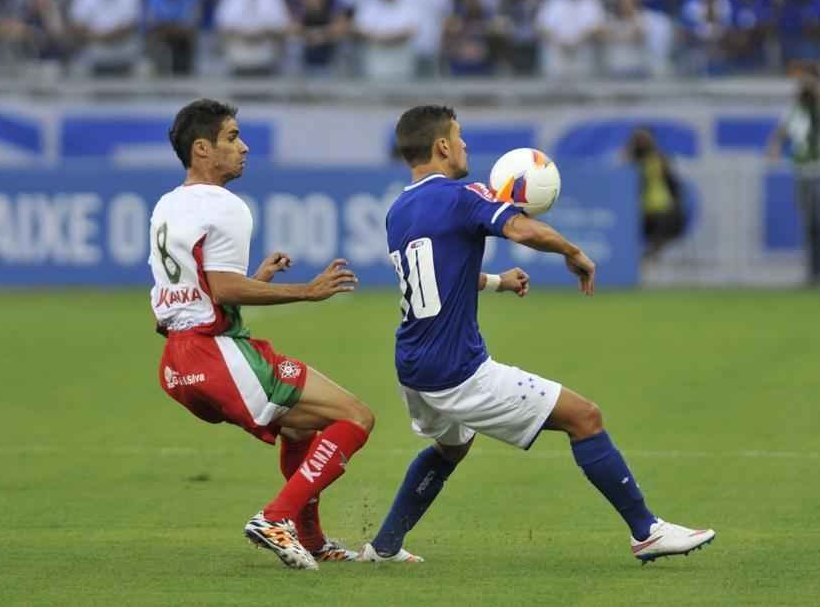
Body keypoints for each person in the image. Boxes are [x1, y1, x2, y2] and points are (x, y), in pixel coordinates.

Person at [358, 105, 715, 564]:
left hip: (412, 365)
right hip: (456, 369)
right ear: (442, 146)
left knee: (452, 447)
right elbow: (520, 228)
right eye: (459, 137)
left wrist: (496, 282)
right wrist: (571, 250)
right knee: (584, 417)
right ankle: (647, 532)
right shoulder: (461, 196)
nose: (465, 145)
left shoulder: (398, 211)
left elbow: (434, 278)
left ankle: (384, 546)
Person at [150, 99, 375, 570]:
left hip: (178, 363)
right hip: (216, 355)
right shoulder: (225, 205)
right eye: (232, 137)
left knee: (300, 426)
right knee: (356, 417)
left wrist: (257, 280)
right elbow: (223, 288)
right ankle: (275, 518)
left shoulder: (167, 206)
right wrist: (307, 292)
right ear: (202, 149)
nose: (244, 147)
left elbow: (192, 297)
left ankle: (311, 539)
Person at [766, 61, 820, 287]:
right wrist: (775, 147)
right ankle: (813, 274)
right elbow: (780, 133)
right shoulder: (794, 108)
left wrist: (817, 91)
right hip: (803, 170)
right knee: (809, 225)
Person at [625, 127, 687, 259]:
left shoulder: (659, 158)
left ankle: (652, 254)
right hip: (638, 208)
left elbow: (671, 180)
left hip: (661, 205)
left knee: (662, 228)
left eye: (645, 139)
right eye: (639, 139)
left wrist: (676, 199)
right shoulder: (631, 159)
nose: (642, 142)